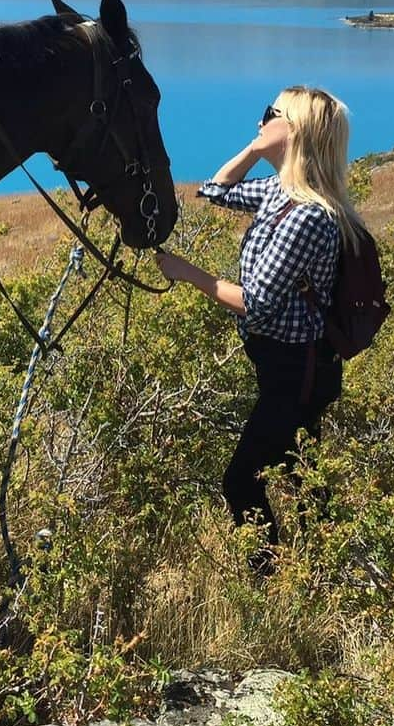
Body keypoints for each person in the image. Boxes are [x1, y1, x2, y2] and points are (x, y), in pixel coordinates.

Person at [154, 85, 365, 550]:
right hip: (285, 365)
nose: (259, 120)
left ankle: (274, 581)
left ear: (293, 130)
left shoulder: (308, 216)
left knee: (241, 481)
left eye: (268, 114)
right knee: (300, 473)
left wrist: (186, 273)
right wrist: (255, 146)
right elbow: (215, 189)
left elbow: (259, 303)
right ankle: (324, 571)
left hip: (297, 369)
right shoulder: (279, 192)